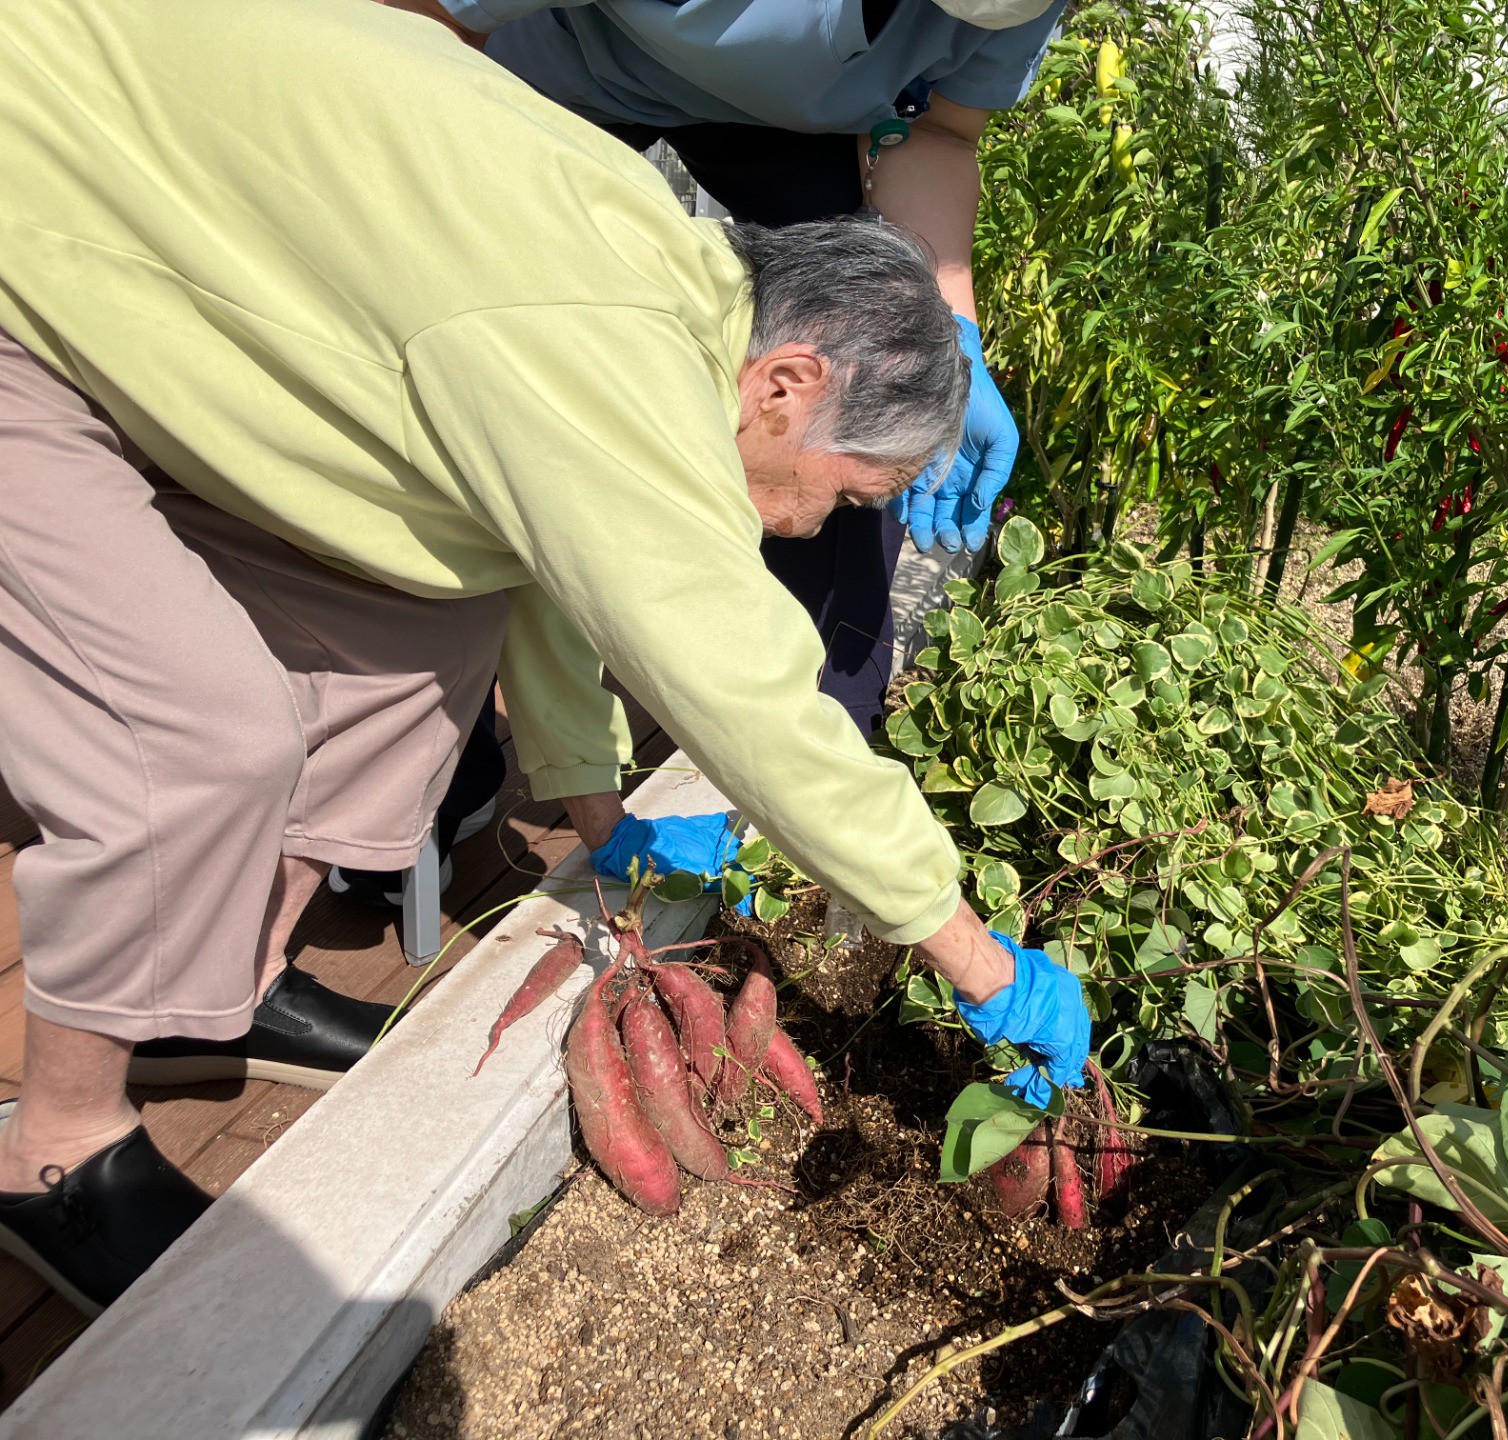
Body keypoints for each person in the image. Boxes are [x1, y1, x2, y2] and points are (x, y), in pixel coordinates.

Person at [0, 0, 1090, 1315]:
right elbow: (739, 684)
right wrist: (980, 963)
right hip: (37, 211)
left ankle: (209, 994)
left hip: (154, 229)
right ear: (789, 384)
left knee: (432, 615)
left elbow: (534, 563)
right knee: (197, 734)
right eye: (849, 492)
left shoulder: (688, 298)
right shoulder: (602, 338)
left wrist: (600, 820)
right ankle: (53, 1153)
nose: (820, 525)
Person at [389, 0, 1066, 739]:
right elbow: (420, 23)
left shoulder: (1019, 10)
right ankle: (442, 740)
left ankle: (822, 716)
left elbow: (939, 130)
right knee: (470, 372)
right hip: (560, 65)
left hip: (795, 128)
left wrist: (947, 331)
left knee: (865, 391)